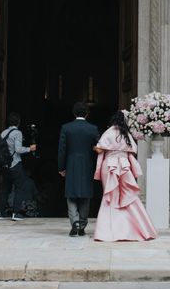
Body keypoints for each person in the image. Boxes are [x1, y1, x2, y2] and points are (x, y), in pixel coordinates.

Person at [92, 111, 157, 242]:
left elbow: (99, 149)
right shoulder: (126, 133)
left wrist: (95, 147)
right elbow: (133, 150)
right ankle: (136, 229)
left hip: (110, 165)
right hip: (124, 165)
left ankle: (108, 231)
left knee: (110, 196)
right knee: (129, 196)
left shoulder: (109, 132)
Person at [58, 101, 99, 237]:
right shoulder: (93, 129)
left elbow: (62, 150)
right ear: (87, 113)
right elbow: (98, 149)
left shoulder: (66, 128)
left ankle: (75, 223)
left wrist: (61, 167)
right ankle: (82, 225)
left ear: (73, 113)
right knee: (85, 196)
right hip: (87, 165)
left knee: (71, 195)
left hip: (71, 164)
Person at [0, 112, 37, 221]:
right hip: (15, 164)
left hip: (4, 165)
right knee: (19, 187)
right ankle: (16, 213)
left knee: (5, 188)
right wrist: (30, 149)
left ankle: (0, 212)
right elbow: (18, 149)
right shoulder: (17, 133)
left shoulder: (3, 133)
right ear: (18, 122)